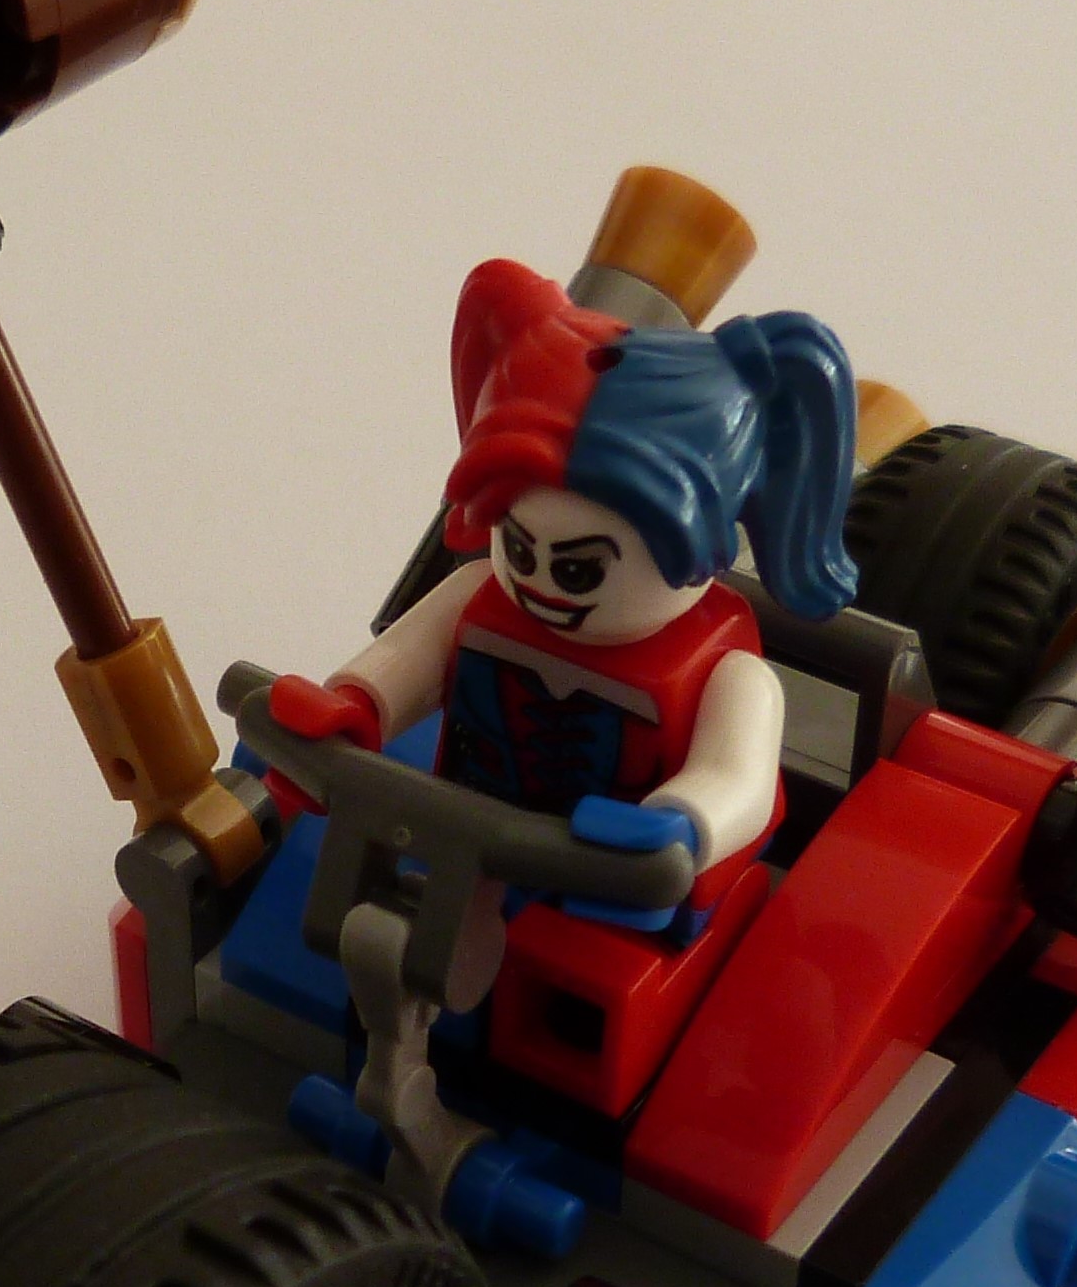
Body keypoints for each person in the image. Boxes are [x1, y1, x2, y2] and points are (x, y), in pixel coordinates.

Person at [270, 257, 859, 935]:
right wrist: (355, 706)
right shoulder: (477, 596)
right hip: (448, 839)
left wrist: (680, 824)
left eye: (578, 570)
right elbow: (403, 661)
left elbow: (738, 780)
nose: (540, 582)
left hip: (618, 898)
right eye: (520, 550)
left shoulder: (732, 675)